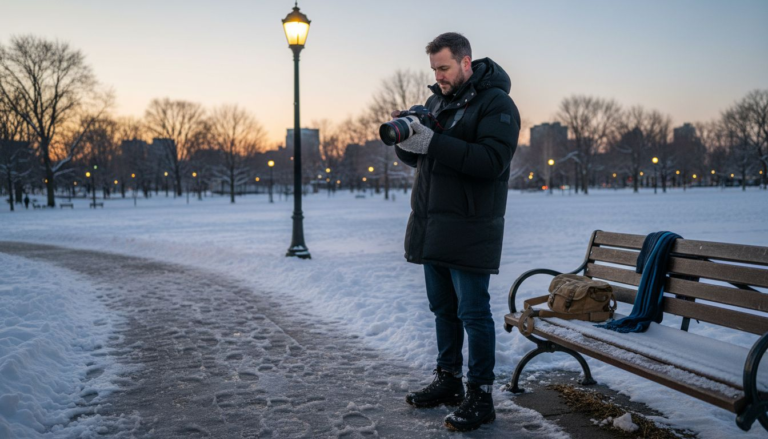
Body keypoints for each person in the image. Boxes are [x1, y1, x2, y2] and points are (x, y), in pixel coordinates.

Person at [394, 32, 520, 432]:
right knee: (443, 310)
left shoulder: (498, 104)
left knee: (473, 313)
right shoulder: (438, 102)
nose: (439, 76)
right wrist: (409, 140)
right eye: (434, 69)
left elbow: (492, 162)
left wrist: (434, 141)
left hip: (470, 226)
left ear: (467, 62)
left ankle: (480, 394)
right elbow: (424, 159)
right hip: (433, 223)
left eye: (444, 68)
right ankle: (448, 380)